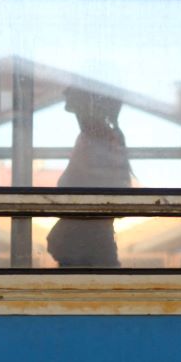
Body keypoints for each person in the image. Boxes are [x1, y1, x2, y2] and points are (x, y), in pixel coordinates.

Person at [46, 88, 132, 268]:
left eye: (78, 109)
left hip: (88, 246)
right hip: (93, 243)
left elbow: (71, 185)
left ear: (92, 107)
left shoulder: (97, 140)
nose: (77, 117)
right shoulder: (105, 138)